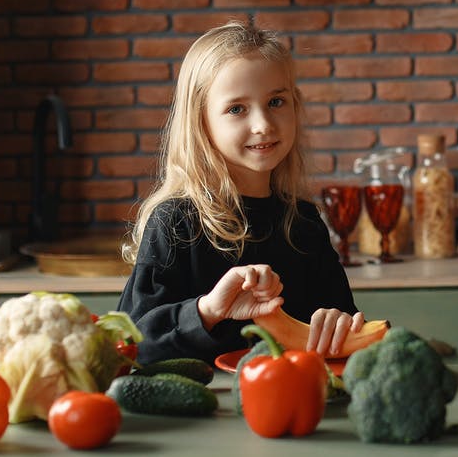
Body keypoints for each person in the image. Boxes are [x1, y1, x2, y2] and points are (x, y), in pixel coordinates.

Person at [118, 20, 364, 364]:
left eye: (276, 101)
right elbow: (131, 345)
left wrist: (340, 325)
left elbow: (347, 329)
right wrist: (206, 311)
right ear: (201, 122)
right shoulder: (175, 222)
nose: (263, 124)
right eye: (237, 109)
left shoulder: (304, 222)